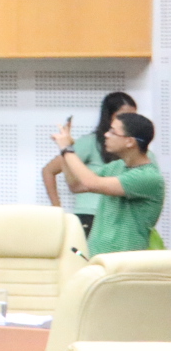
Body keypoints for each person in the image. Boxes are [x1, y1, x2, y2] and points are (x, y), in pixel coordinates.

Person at [50, 112, 165, 256]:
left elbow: (91, 182)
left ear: (129, 141)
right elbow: (76, 185)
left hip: (124, 261)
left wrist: (67, 149)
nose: (106, 134)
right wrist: (65, 152)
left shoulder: (148, 177)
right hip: (97, 255)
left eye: (112, 131)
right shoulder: (116, 167)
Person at [42, 91, 137, 240]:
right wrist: (57, 209)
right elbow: (49, 170)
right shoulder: (90, 142)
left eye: (133, 117)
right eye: (122, 116)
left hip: (118, 218)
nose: (128, 122)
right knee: (81, 255)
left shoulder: (133, 148)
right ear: (109, 117)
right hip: (89, 216)